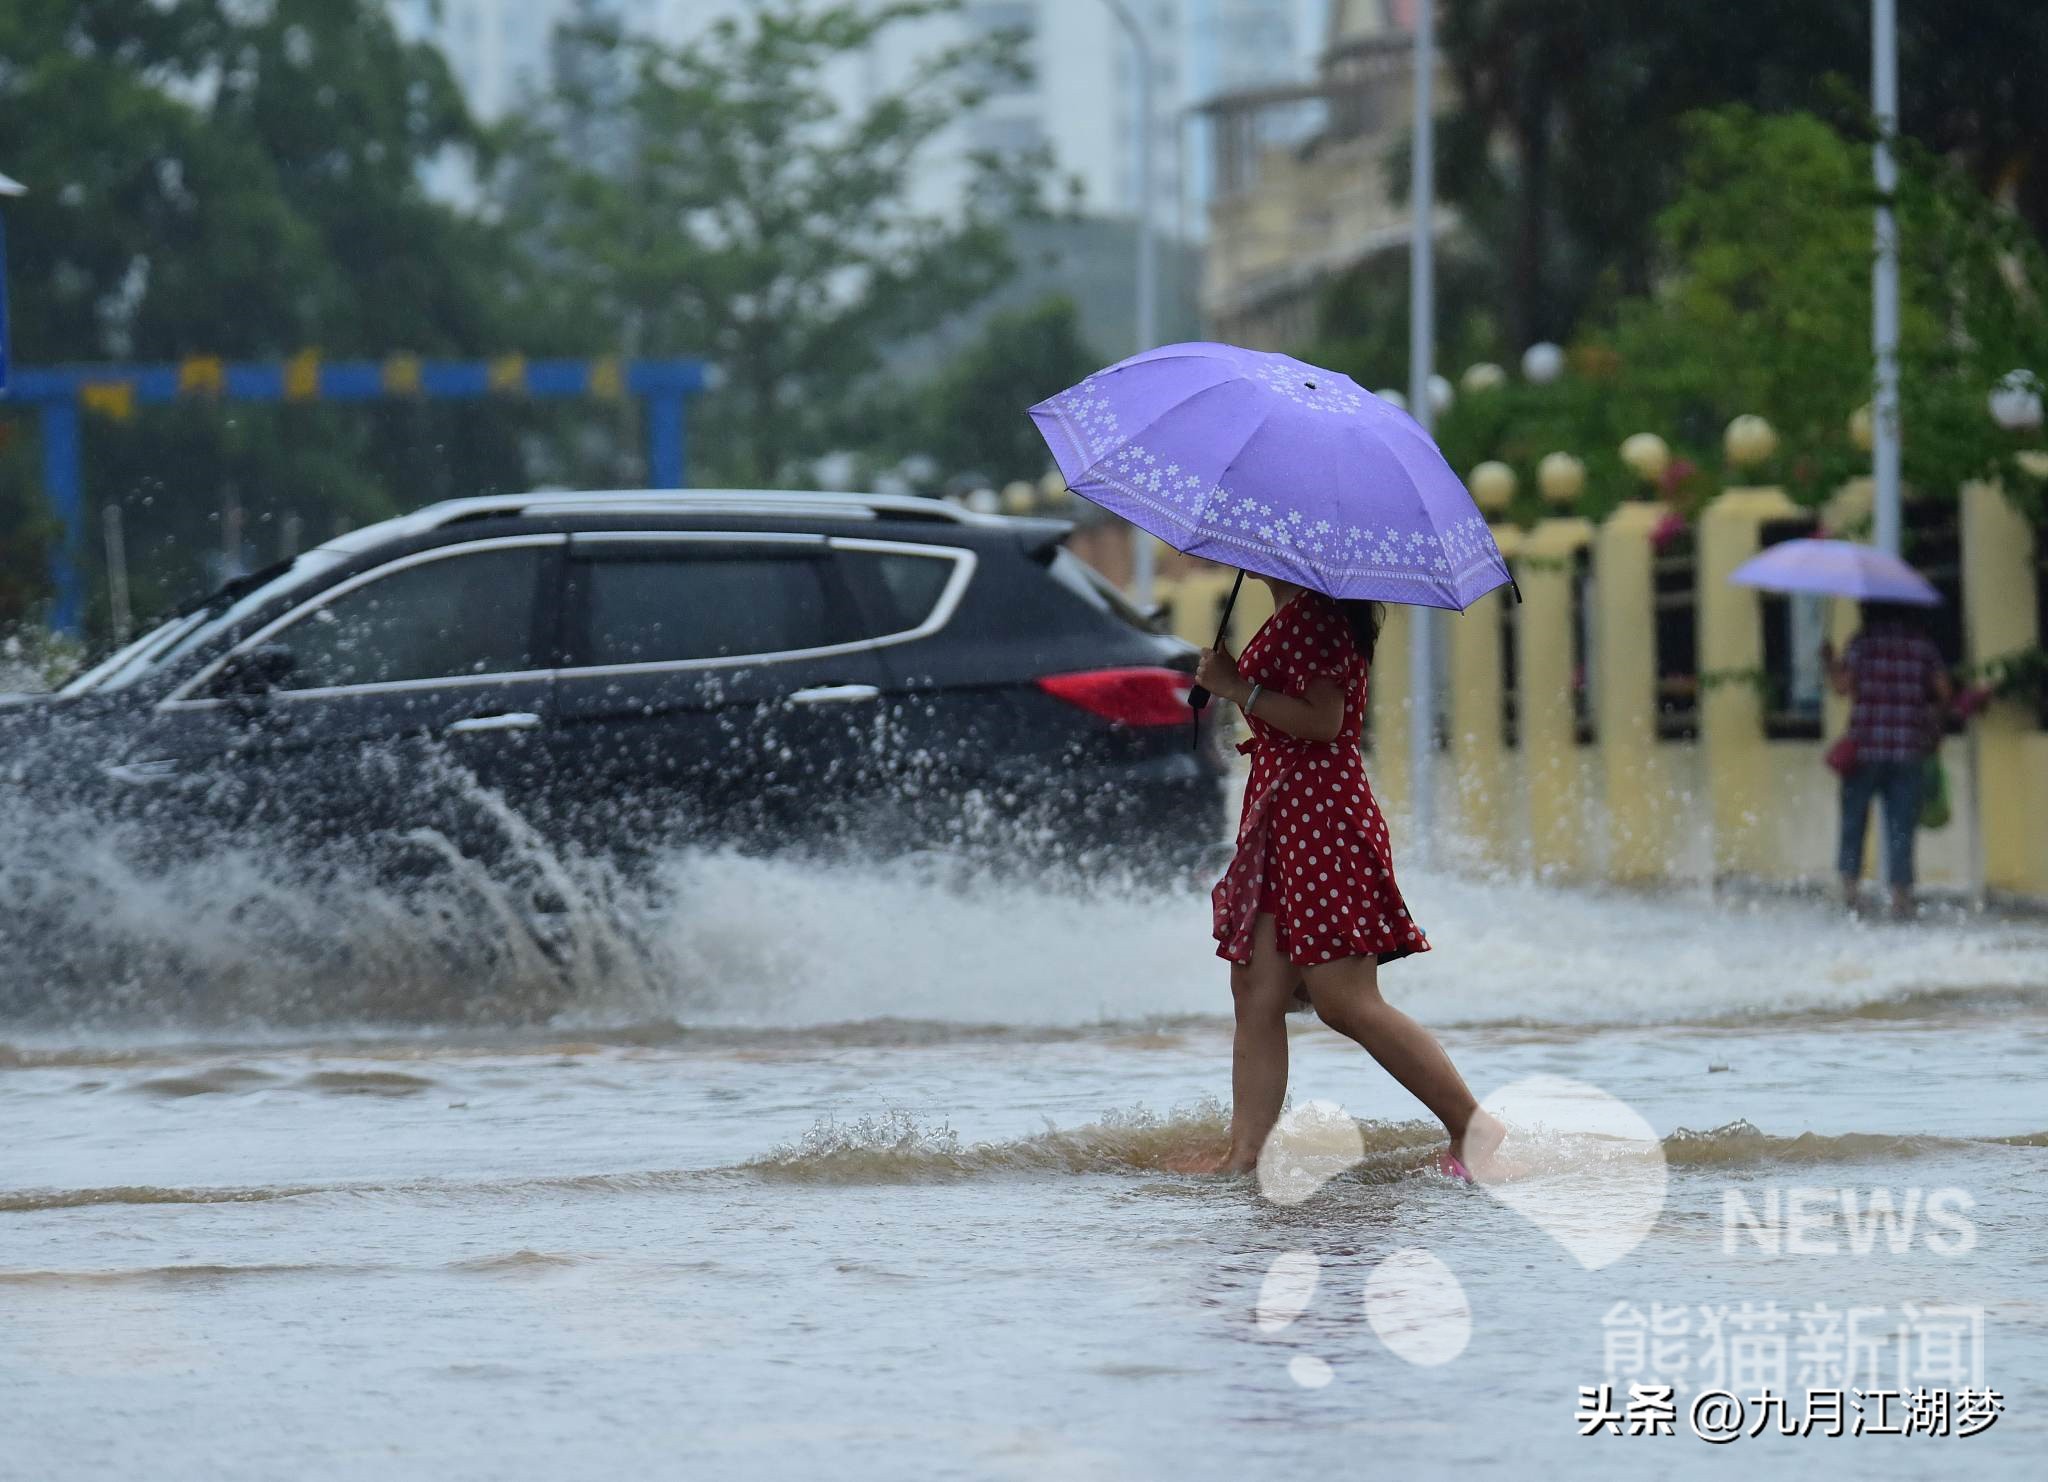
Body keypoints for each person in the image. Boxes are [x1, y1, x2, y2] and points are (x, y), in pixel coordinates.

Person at [1185, 576, 1507, 1181]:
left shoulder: (1316, 616)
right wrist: (1236, 685)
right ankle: (1246, 1157)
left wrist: (1237, 688)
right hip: (1283, 817)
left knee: (1345, 1002)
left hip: (1322, 821)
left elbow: (1325, 722)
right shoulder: (1293, 613)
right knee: (1255, 994)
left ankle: (1473, 1126)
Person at [1822, 601, 1952, 920]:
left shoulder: (1861, 644)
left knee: (1854, 823)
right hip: (1907, 750)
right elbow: (1944, 690)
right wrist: (1928, 712)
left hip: (1864, 750)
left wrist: (1828, 662)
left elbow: (1841, 687)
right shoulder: (1921, 645)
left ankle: (1851, 893)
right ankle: (1901, 899)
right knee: (1901, 827)